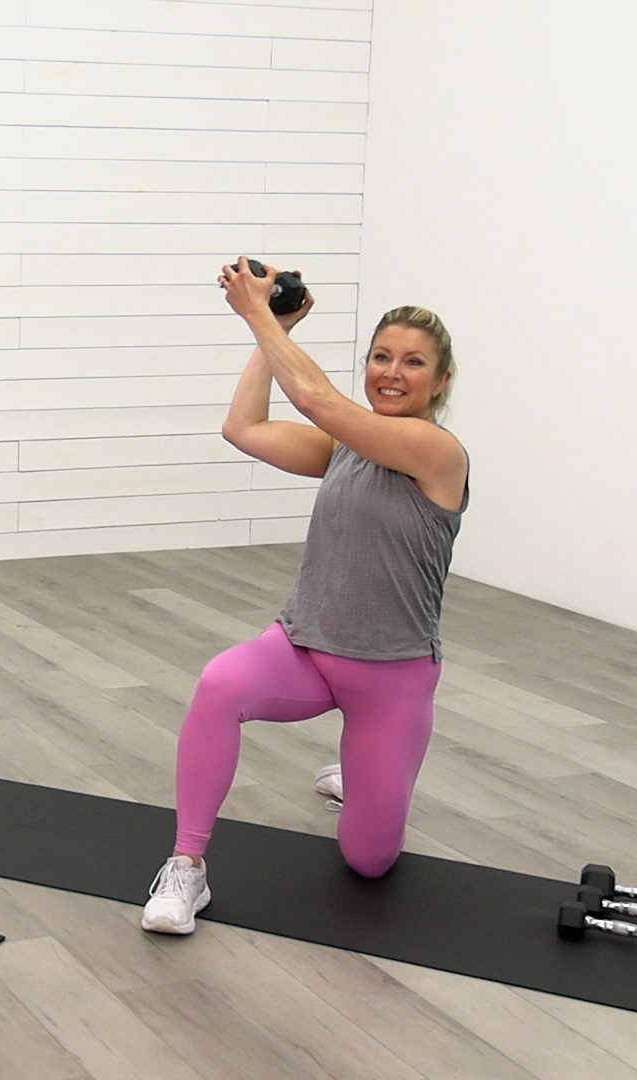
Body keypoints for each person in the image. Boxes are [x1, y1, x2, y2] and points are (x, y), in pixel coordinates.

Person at [141, 262, 468, 934]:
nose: (391, 373)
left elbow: (319, 400)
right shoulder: (345, 448)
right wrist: (275, 332)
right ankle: (186, 869)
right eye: (380, 357)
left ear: (442, 381)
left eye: (413, 363)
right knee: (219, 685)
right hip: (306, 650)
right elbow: (244, 427)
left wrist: (258, 314)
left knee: (369, 860)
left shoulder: (437, 452)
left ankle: (368, 776)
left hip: (392, 677)